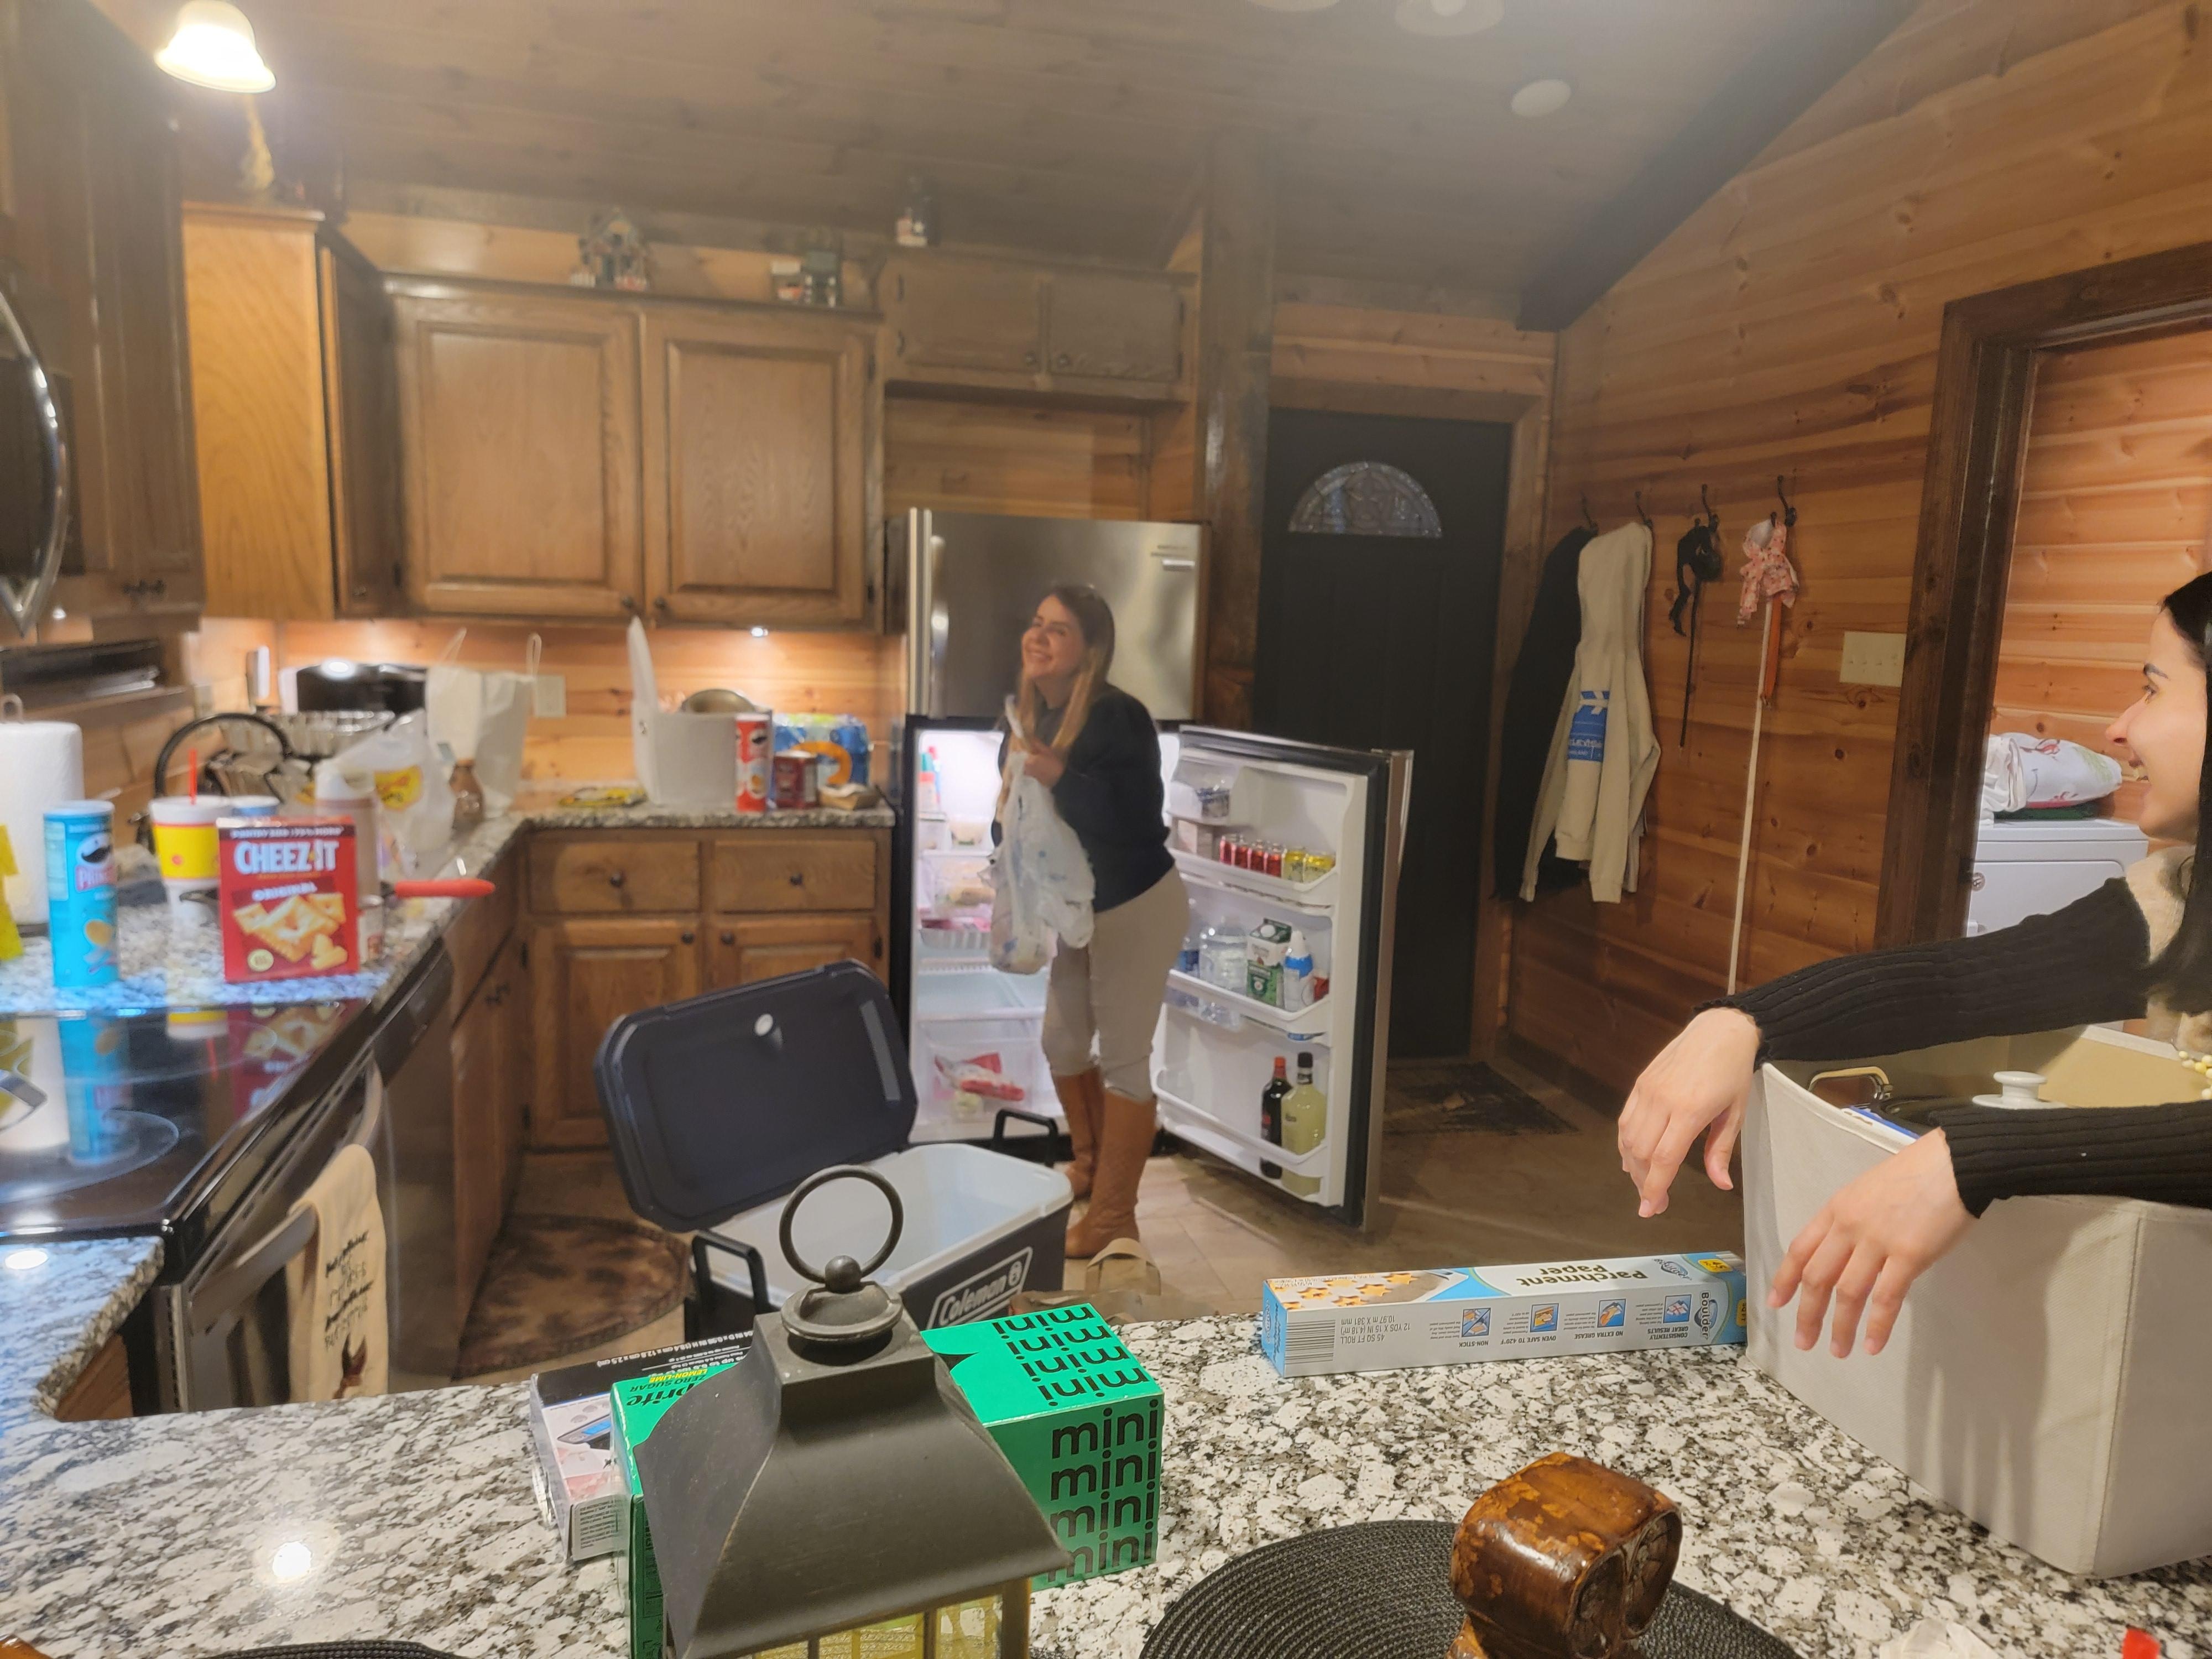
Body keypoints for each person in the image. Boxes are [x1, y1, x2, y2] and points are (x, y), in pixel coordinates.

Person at [1619, 574, 2212, 1360]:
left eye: (2152, 689)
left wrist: (1976, 1153)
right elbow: (1962, 983)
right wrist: (1742, 1019)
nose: (2119, 728)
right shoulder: (2180, 895)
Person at [998, 585, 1188, 1262]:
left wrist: (1057, 777)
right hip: (1079, 913)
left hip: (1136, 904)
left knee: (1126, 1059)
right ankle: (1090, 1162)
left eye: (1059, 630)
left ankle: (1113, 1216)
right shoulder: (1028, 716)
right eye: (1036, 623)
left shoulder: (1117, 717)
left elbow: (1134, 824)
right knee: (1064, 1041)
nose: (1039, 637)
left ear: (1089, 651)